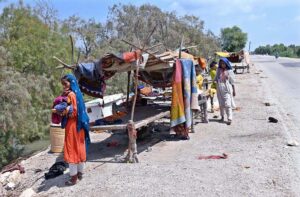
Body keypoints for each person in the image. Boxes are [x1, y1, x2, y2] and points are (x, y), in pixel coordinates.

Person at [60, 74, 90, 186]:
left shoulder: (71, 95)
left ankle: (73, 178)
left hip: (73, 126)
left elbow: (73, 113)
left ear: (71, 83)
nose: (63, 86)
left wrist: (63, 111)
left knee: (72, 150)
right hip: (80, 126)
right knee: (79, 148)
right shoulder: (77, 94)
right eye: (62, 84)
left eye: (65, 84)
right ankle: (80, 173)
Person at [215, 58, 236, 125]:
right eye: (221, 63)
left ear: (226, 64)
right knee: (221, 103)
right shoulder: (218, 70)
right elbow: (216, 78)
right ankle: (222, 116)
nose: (222, 65)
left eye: (223, 63)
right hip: (219, 88)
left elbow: (232, 82)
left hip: (227, 88)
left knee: (228, 104)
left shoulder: (230, 71)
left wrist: (234, 90)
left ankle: (229, 118)